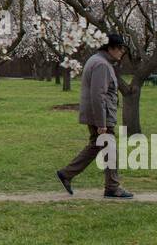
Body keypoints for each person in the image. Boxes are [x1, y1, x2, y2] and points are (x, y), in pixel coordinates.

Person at [56, 32, 133, 199]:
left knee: (96, 147)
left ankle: (66, 174)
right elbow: (98, 95)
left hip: (99, 115)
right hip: (101, 117)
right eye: (120, 48)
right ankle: (112, 187)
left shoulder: (98, 60)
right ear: (111, 47)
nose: (122, 52)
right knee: (110, 150)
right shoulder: (102, 65)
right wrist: (101, 123)